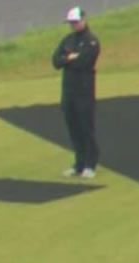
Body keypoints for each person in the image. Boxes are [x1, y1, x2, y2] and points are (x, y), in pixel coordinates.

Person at [52, 6, 100, 179]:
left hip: (84, 92)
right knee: (73, 129)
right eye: (71, 23)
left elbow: (84, 63)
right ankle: (79, 164)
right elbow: (56, 61)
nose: (73, 25)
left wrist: (69, 59)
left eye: (75, 22)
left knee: (86, 128)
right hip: (68, 91)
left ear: (83, 20)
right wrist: (69, 58)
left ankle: (90, 164)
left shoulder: (91, 41)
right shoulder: (68, 40)